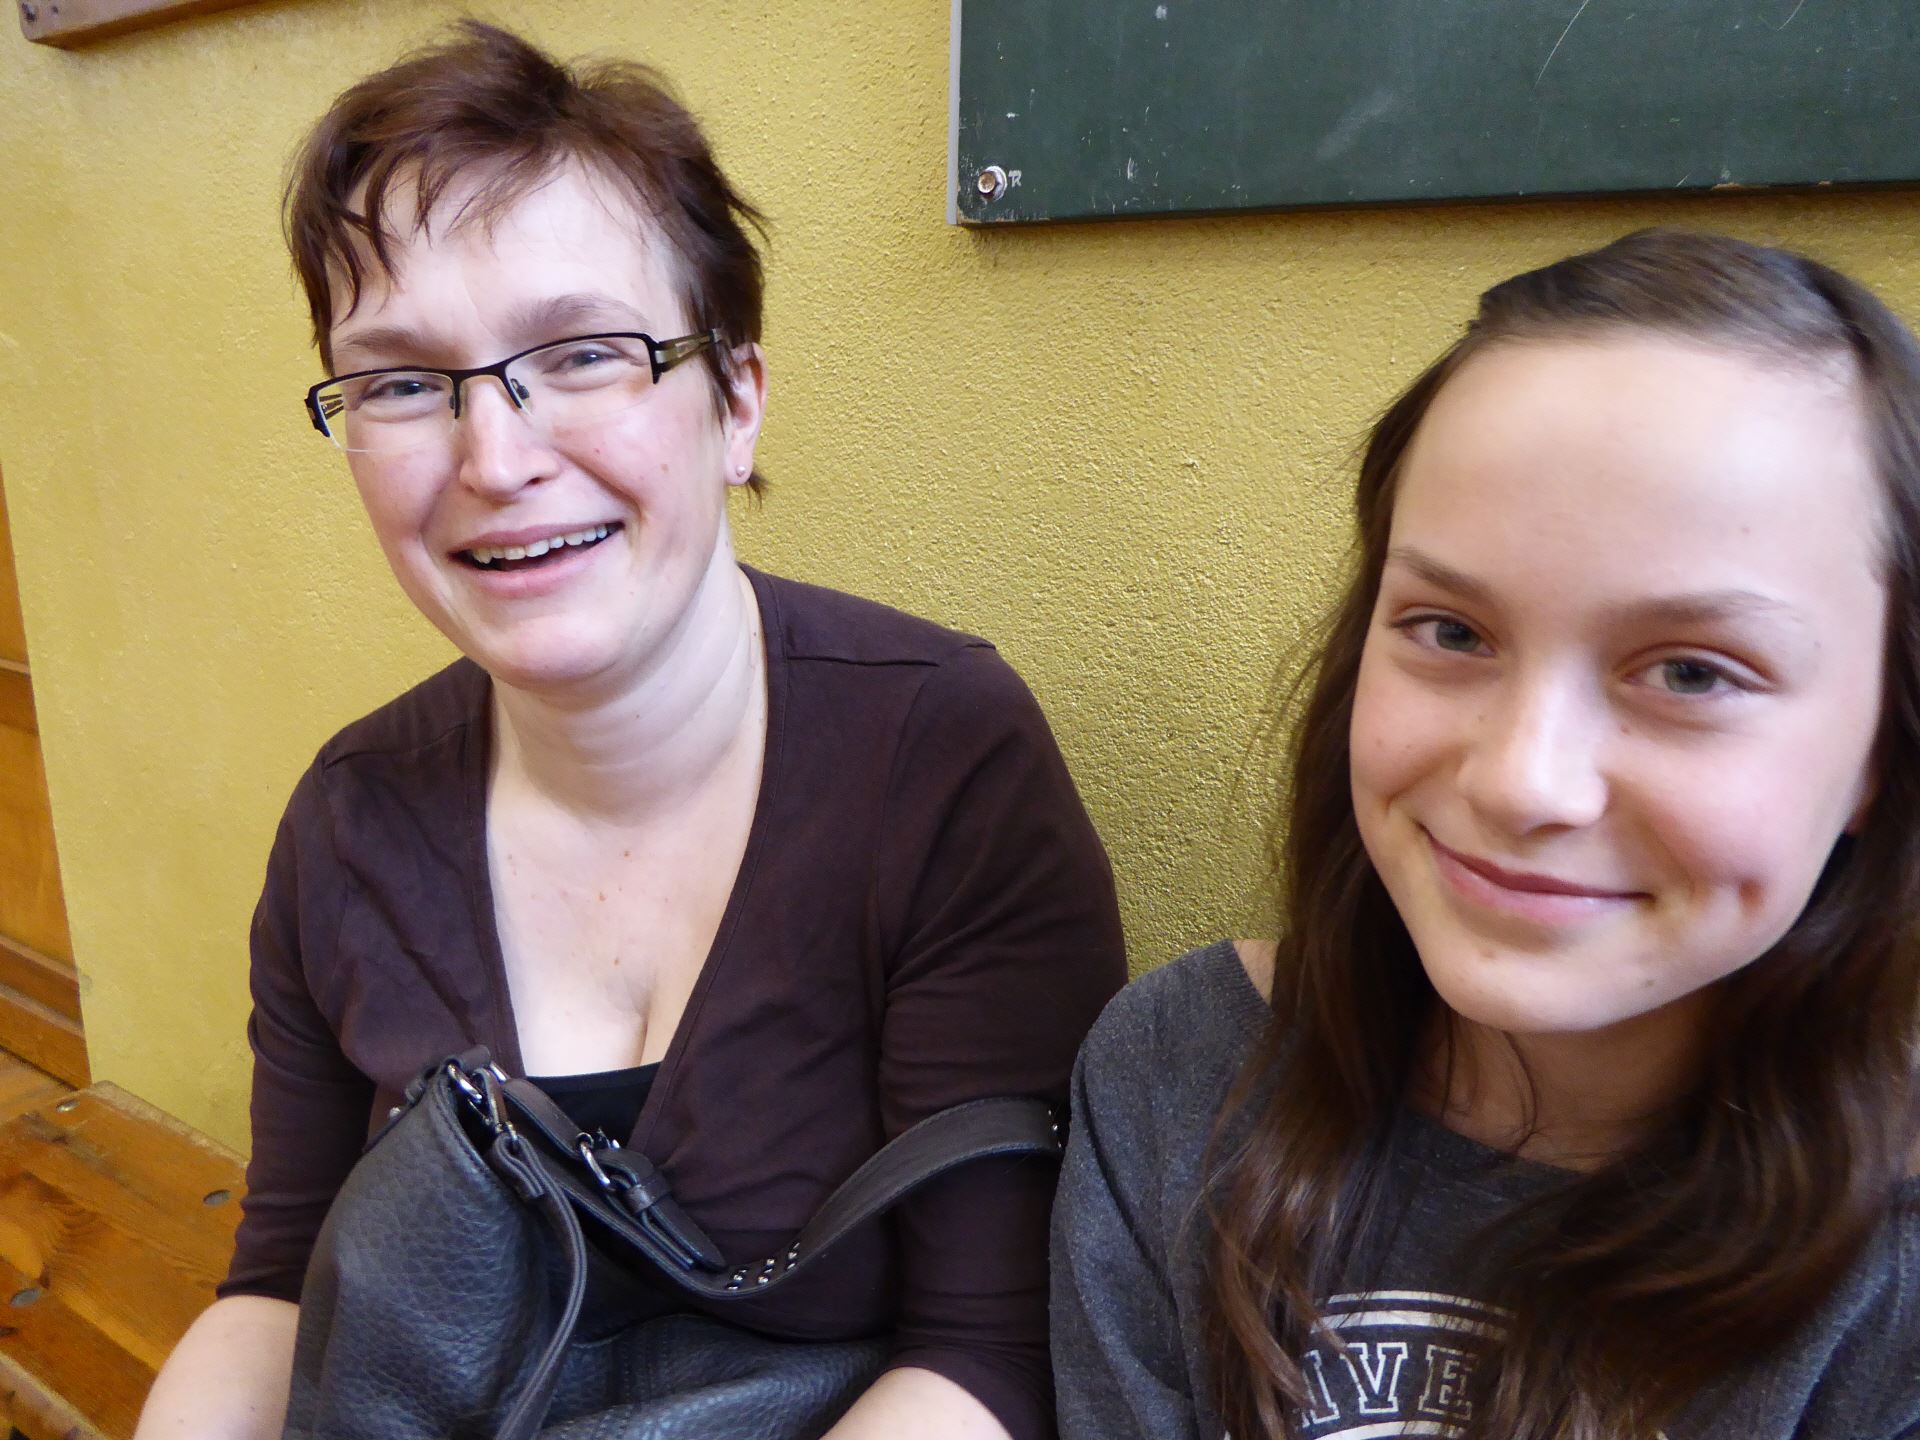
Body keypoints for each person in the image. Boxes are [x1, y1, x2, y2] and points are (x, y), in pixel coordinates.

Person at [135, 22, 1125, 1440]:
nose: (496, 458)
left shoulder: (941, 757)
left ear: (737, 400)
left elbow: (990, 1355)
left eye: (585, 354)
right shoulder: (348, 818)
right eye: (403, 381)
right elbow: (282, 1293)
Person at [1051, 231, 1920, 1440]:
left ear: (1883, 746)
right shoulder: (1180, 1072)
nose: (1522, 783)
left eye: (1691, 671)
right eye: (1451, 632)